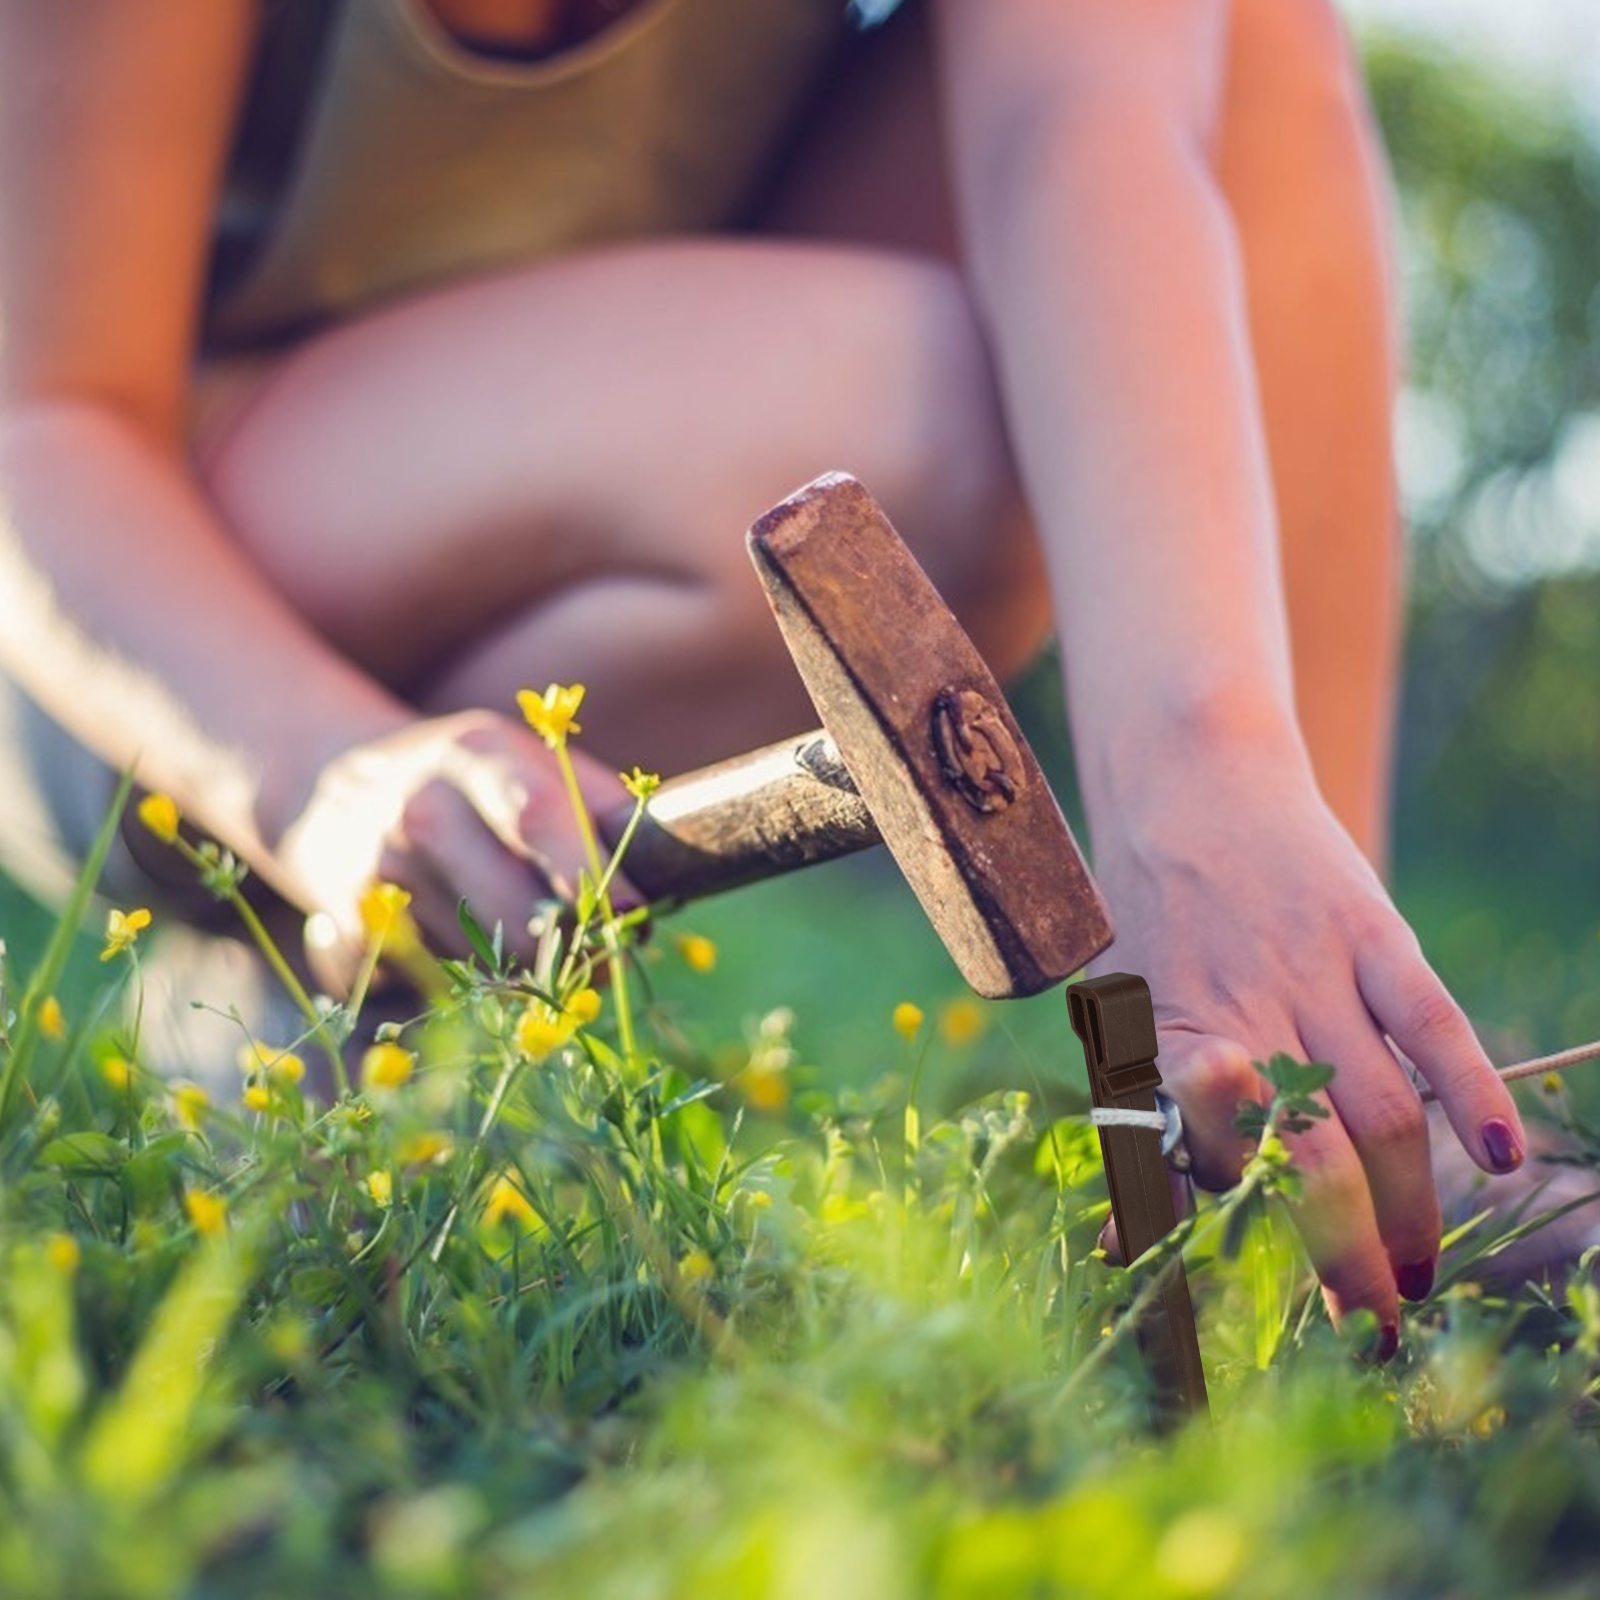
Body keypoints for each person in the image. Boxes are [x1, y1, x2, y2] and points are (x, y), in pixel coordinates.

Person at [0, 0, 1582, 1360]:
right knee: (913, 405)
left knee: (1233, 39)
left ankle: (1329, 1077)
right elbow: (38, 422)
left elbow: (1088, 124)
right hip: (140, 608)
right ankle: (292, 929)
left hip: (652, 417)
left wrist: (1208, 767)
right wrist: (320, 768)